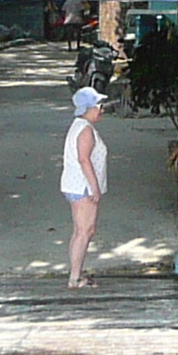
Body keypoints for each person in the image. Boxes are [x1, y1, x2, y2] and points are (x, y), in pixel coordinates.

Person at [61, 84, 109, 287]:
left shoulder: (79, 126)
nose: (102, 110)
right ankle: (75, 277)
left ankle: (76, 272)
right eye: (99, 105)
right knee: (85, 231)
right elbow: (84, 159)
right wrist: (94, 187)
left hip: (76, 185)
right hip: (82, 187)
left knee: (81, 230)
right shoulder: (85, 130)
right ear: (89, 108)